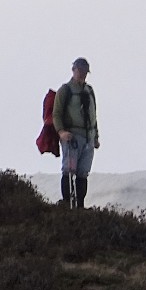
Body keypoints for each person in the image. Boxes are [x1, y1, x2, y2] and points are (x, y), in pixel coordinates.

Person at [54, 57, 100, 208]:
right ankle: (67, 204)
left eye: (85, 72)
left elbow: (93, 115)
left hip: (88, 138)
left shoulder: (89, 91)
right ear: (73, 70)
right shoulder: (65, 90)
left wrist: (96, 136)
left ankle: (80, 205)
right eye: (80, 71)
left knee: (83, 173)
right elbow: (57, 114)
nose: (82, 74)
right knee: (68, 170)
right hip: (72, 136)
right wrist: (61, 132)